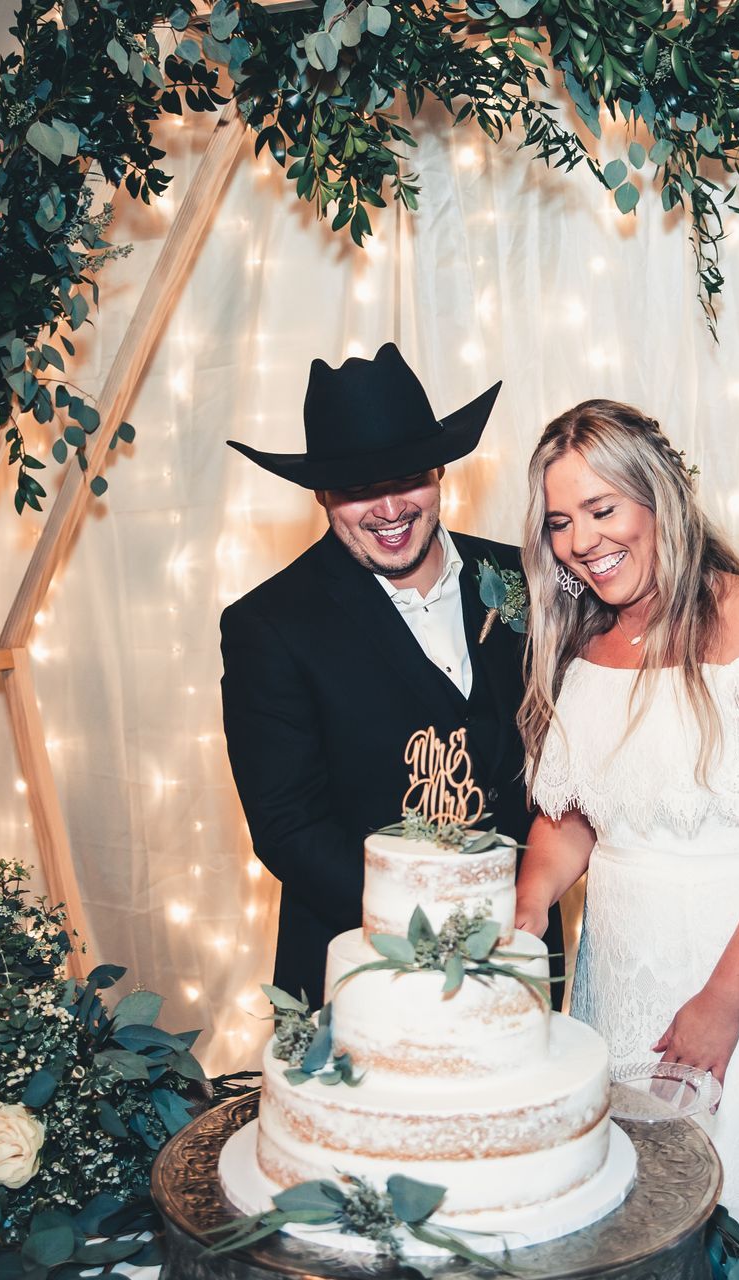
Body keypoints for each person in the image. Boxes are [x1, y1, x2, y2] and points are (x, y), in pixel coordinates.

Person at [511, 399, 739, 1223]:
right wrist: (529, 905)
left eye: (603, 509)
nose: (582, 540)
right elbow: (570, 821)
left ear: (660, 498)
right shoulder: (584, 644)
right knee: (634, 1221)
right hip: (621, 979)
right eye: (563, 520)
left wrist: (723, 1002)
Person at [222, 342, 560, 1004]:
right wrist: (430, 932)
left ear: (440, 470)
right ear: (322, 495)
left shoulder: (527, 578)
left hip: (520, 955)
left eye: (407, 477)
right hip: (367, 974)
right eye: (357, 489)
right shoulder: (270, 624)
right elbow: (289, 827)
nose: (389, 509)